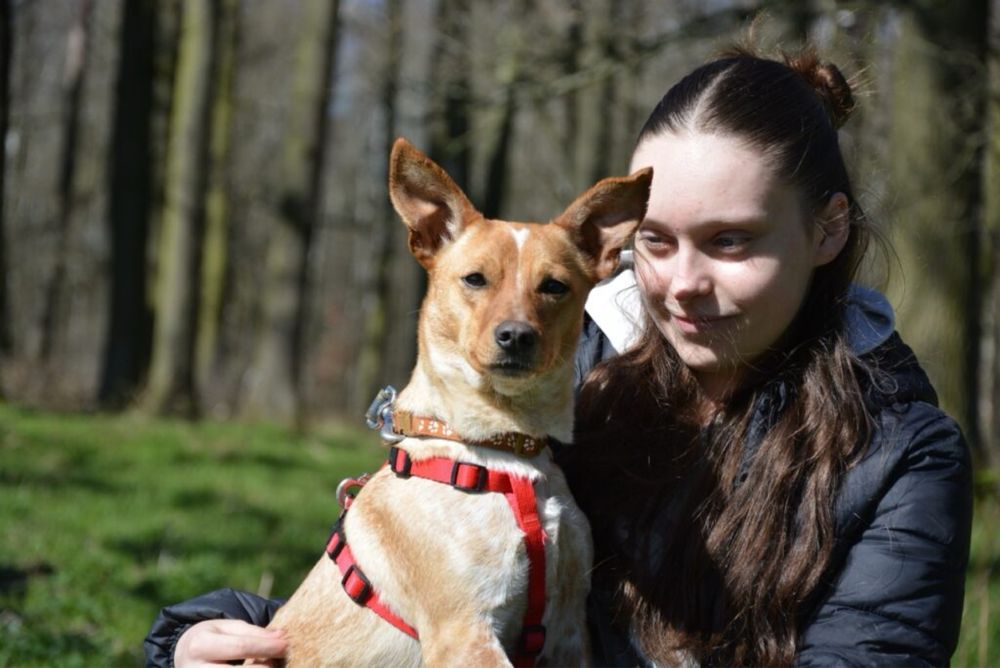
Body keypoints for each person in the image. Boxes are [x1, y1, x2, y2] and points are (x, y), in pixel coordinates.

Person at [145, 44, 972, 667]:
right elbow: (421, 595)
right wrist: (195, 636)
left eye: (730, 242)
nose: (682, 284)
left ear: (827, 230)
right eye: (656, 241)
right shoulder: (566, 375)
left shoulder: (899, 457)